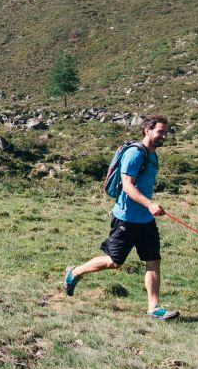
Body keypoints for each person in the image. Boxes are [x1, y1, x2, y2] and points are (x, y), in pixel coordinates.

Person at [64, 114, 179, 319]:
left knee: (153, 260)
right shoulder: (135, 153)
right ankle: (75, 272)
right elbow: (127, 186)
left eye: (165, 132)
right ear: (147, 130)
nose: (164, 136)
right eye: (160, 132)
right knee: (115, 262)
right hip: (127, 218)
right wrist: (150, 204)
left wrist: (149, 208)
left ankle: (154, 308)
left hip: (146, 219)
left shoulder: (152, 155)